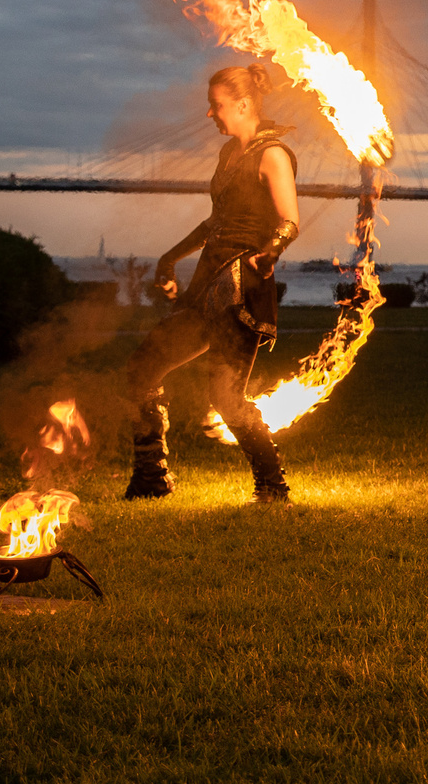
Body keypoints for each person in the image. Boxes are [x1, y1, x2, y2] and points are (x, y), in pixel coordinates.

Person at [123, 64, 302, 503]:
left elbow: (290, 221)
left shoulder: (273, 155)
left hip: (243, 288)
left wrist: (272, 251)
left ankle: (272, 487)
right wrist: (170, 257)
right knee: (142, 369)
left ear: (243, 105)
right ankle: (151, 478)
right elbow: (214, 222)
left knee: (226, 396)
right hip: (207, 285)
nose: (210, 114)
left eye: (216, 105)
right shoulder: (229, 155)